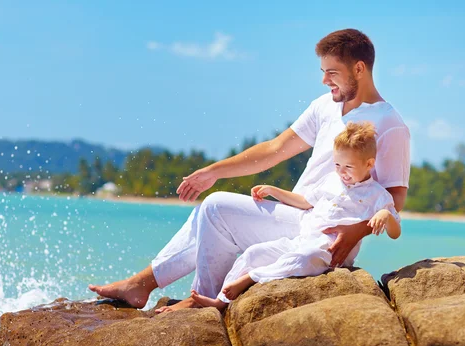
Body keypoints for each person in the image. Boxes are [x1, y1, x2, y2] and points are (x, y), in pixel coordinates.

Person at [88, 28, 410, 313]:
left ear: (359, 68)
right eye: (322, 71)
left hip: (324, 237)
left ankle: (196, 299)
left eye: (332, 72)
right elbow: (275, 148)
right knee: (211, 210)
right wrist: (214, 171)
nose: (324, 80)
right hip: (296, 214)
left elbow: (394, 200)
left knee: (215, 209)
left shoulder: (390, 124)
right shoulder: (325, 105)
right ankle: (145, 284)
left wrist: (355, 232)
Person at [190, 122, 401, 311]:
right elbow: (304, 201)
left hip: (329, 253)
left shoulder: (377, 195)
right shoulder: (330, 181)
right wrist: (274, 191)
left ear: (369, 164)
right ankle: (220, 300)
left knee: (303, 259)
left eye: (348, 167)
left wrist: (384, 214)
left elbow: (395, 231)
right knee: (254, 253)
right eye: (337, 165)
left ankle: (250, 279)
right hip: (301, 241)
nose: (342, 172)